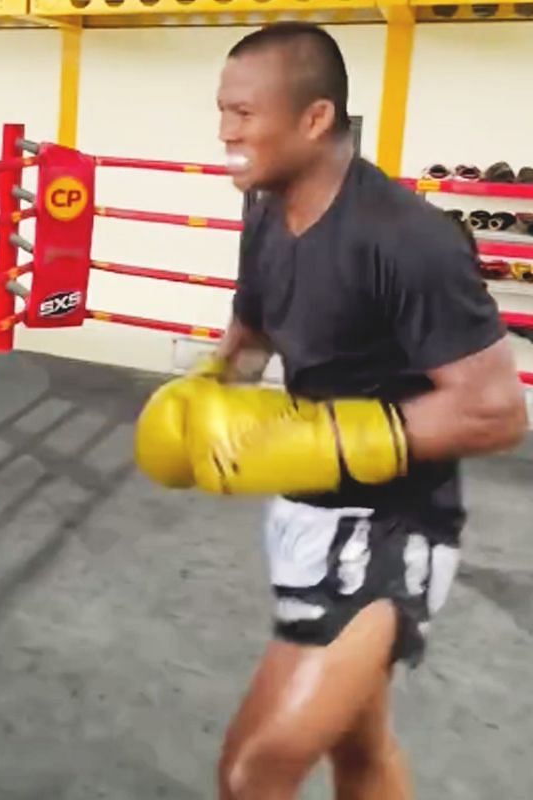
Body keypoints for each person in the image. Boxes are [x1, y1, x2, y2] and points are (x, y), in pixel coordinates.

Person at [133, 22, 528, 800]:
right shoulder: (265, 212)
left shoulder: (406, 239)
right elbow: (253, 334)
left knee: (257, 770)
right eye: (222, 111)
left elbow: (497, 412)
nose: (225, 132)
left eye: (243, 113)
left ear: (314, 119)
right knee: (361, 749)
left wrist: (333, 438)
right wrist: (209, 388)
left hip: (394, 530)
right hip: (308, 516)